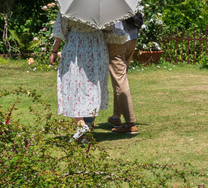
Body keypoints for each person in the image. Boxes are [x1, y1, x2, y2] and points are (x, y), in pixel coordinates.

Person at [48, 12, 127, 141]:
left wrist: (54, 51)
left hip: (76, 45)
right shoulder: (101, 7)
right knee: (92, 86)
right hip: (97, 45)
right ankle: (86, 130)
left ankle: (81, 124)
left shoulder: (69, 7)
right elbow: (109, 27)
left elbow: (60, 30)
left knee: (71, 85)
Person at [106, 14, 140, 134]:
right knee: (121, 78)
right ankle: (116, 116)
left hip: (116, 39)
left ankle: (130, 123)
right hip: (132, 35)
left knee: (119, 80)